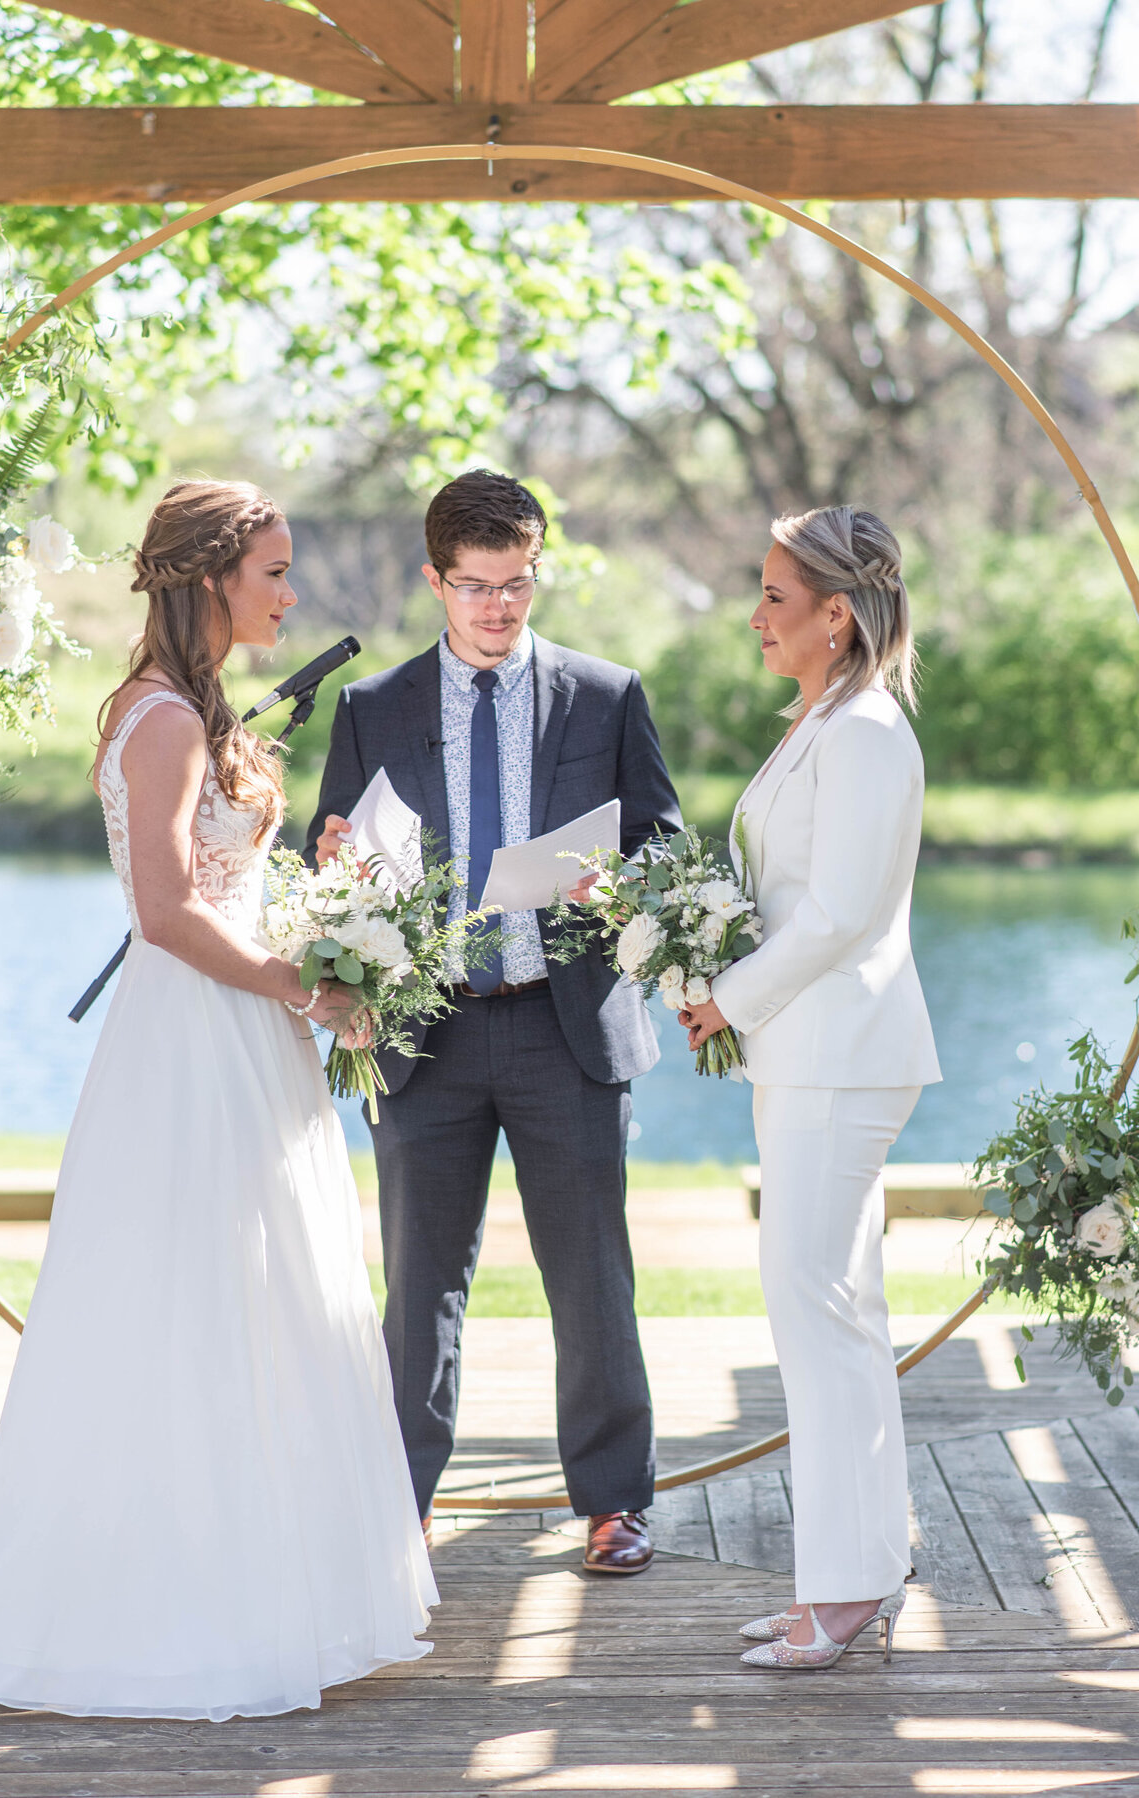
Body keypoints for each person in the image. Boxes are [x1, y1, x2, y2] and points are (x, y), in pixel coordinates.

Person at [0, 480, 436, 1720]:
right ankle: (166, 1607)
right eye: (273, 570)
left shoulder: (206, 711)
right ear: (211, 578)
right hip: (195, 1041)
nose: (291, 591)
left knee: (267, 1303)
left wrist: (327, 908)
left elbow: (224, 878)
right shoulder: (159, 719)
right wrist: (297, 984)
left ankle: (272, 1583)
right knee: (188, 1304)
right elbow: (164, 913)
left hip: (249, 1031)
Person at [308, 469, 682, 1574]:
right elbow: (322, 862)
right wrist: (335, 869)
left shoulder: (607, 695)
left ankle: (615, 1501)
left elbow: (661, 838)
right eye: (476, 587)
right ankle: (401, 1500)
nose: (500, 608)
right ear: (435, 579)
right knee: (418, 1281)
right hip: (426, 1033)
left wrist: (614, 881)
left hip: (568, 1026)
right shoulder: (372, 708)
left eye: (517, 584)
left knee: (591, 1277)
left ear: (537, 570)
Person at [678, 505, 941, 1670]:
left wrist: (726, 996)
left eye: (776, 598)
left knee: (815, 1312)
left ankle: (838, 1591)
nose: (755, 615)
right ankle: (859, 1570)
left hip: (841, 1055)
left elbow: (839, 914)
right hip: (811, 1055)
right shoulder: (821, 721)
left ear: (838, 615)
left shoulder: (869, 730)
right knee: (841, 1312)